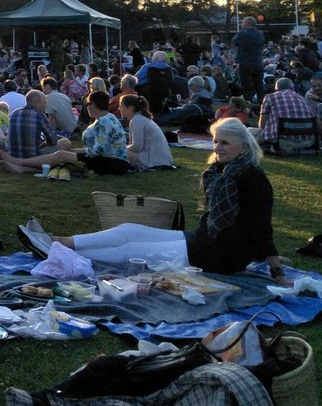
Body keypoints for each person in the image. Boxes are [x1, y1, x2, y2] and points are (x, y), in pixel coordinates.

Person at [19, 119, 288, 284]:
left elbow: (261, 227)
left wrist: (277, 271)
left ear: (243, 147)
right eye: (215, 142)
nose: (217, 148)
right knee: (129, 230)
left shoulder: (252, 177)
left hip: (221, 256)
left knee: (132, 253)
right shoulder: (221, 172)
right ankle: (63, 241)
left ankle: (63, 253)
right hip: (201, 240)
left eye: (224, 143)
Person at [0, 90, 65, 173]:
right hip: (32, 157)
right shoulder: (39, 115)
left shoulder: (14, 113)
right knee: (65, 143)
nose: (46, 105)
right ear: (37, 103)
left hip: (12, 154)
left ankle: (18, 165)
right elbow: (52, 141)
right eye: (44, 102)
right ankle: (26, 168)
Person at [255, 77, 319, 145]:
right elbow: (317, 121)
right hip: (306, 140)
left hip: (281, 140)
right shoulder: (304, 99)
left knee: (250, 132)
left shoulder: (270, 97)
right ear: (292, 88)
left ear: (276, 89)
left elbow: (262, 125)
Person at [121, 95, 173, 169]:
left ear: (130, 108)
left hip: (154, 161)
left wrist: (123, 148)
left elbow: (137, 147)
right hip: (161, 159)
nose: (119, 109)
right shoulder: (139, 118)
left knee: (118, 152)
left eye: (122, 106)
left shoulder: (137, 120)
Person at [233, 17, 266, 105]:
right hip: (258, 63)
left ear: (247, 23)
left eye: (243, 23)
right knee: (259, 85)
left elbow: (234, 42)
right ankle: (261, 104)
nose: (241, 25)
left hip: (245, 63)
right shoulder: (260, 34)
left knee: (247, 86)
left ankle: (249, 105)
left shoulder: (241, 34)